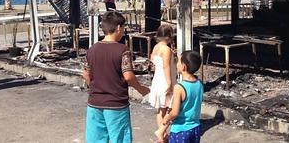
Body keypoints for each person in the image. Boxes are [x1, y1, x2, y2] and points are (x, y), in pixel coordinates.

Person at [82, 11, 150, 143]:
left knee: (96, 139)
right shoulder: (123, 50)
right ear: (119, 28)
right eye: (123, 28)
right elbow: (129, 76)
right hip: (116, 103)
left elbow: (85, 74)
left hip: (94, 103)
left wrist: (95, 87)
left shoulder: (92, 49)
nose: (124, 31)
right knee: (119, 139)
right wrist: (141, 89)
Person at [161, 51, 204, 143]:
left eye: (178, 62)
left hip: (180, 130)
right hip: (195, 127)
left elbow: (175, 112)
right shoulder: (199, 83)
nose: (177, 64)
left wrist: (166, 118)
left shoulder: (179, 87)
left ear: (184, 66)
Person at [148, 25, 177, 142]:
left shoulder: (156, 47)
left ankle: (162, 134)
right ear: (169, 36)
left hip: (157, 79)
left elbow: (154, 61)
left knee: (161, 109)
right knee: (171, 108)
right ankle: (162, 132)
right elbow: (166, 66)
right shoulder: (166, 49)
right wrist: (170, 83)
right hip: (166, 79)